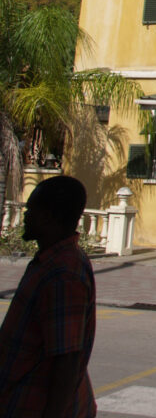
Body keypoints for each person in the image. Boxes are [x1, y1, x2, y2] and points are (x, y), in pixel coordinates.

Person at [0, 175, 96, 417]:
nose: (25, 215)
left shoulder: (62, 274)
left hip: (35, 405)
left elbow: (67, 359)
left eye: (31, 209)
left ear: (48, 217)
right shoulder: (49, 261)